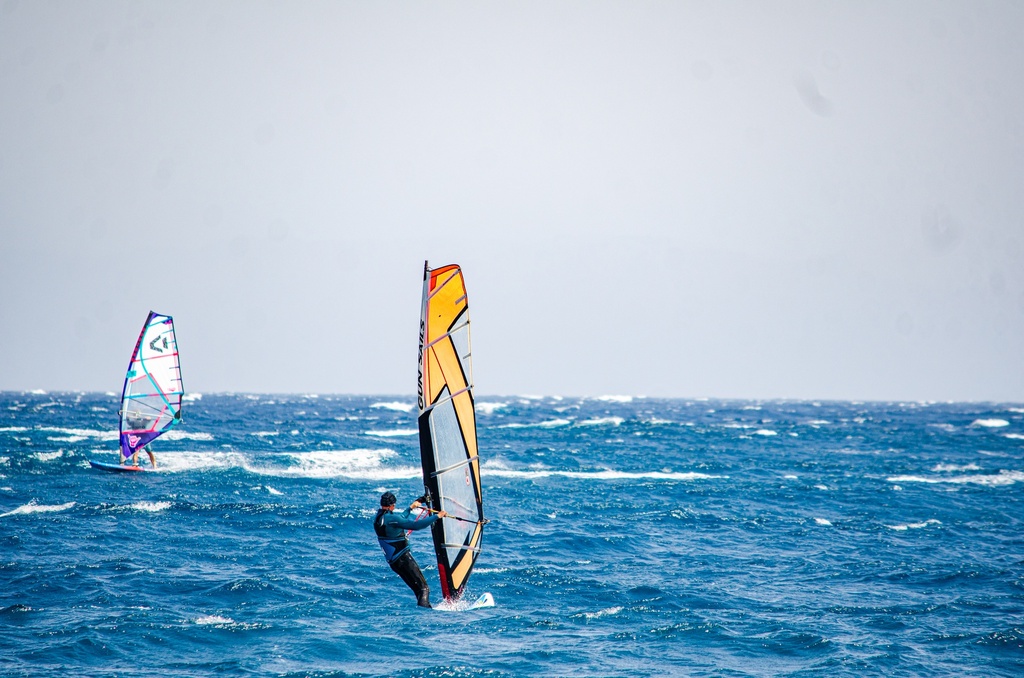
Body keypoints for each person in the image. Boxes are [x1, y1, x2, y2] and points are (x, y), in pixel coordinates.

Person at [373, 491, 447, 608]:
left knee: (418, 591)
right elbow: (417, 525)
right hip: (403, 559)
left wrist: (410, 508)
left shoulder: (379, 517)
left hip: (395, 563)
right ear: (392, 505)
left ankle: (425, 611)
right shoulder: (391, 518)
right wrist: (437, 516)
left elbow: (400, 518)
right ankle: (427, 615)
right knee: (424, 589)